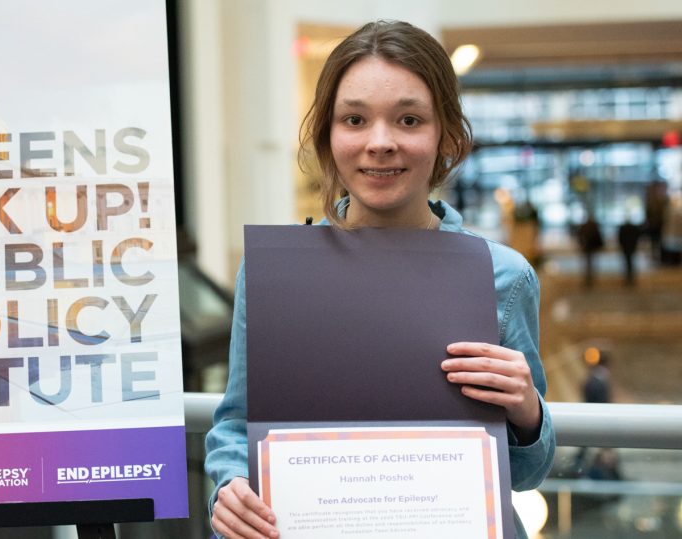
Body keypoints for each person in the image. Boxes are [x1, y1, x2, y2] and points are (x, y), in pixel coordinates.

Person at [204, 20, 555, 539]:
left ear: (446, 137)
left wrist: (527, 413)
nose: (381, 142)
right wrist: (228, 486)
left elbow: (525, 475)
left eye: (409, 120)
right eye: (354, 119)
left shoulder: (502, 278)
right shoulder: (275, 275)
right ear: (328, 133)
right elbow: (235, 424)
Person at [577, 213, 603, 289]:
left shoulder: (584, 226)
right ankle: (591, 278)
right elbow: (598, 236)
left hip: (586, 248)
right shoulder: (594, 226)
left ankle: (588, 279)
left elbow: (580, 236)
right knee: (592, 263)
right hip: (592, 248)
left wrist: (582, 244)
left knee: (587, 264)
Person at [617, 221, 642, 287]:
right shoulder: (633, 228)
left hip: (626, 247)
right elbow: (638, 236)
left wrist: (622, 245)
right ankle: (630, 278)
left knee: (627, 263)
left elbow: (620, 238)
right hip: (631, 247)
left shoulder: (623, 228)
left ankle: (629, 278)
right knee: (631, 263)